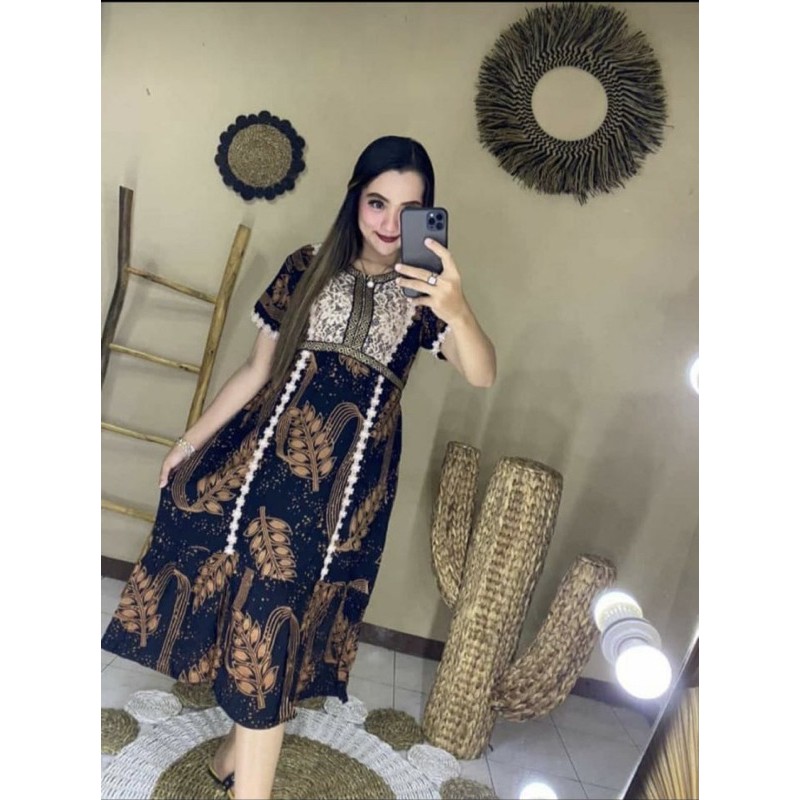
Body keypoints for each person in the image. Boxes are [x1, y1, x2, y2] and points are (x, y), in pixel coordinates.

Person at [101, 135, 496, 799]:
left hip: (348, 501)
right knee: (265, 624)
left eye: (410, 209)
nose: (389, 223)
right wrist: (189, 443)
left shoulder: (427, 295)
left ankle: (230, 758)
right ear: (355, 198)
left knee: (289, 630)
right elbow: (256, 370)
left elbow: (482, 374)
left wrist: (456, 307)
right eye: (377, 202)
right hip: (265, 479)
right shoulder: (306, 267)